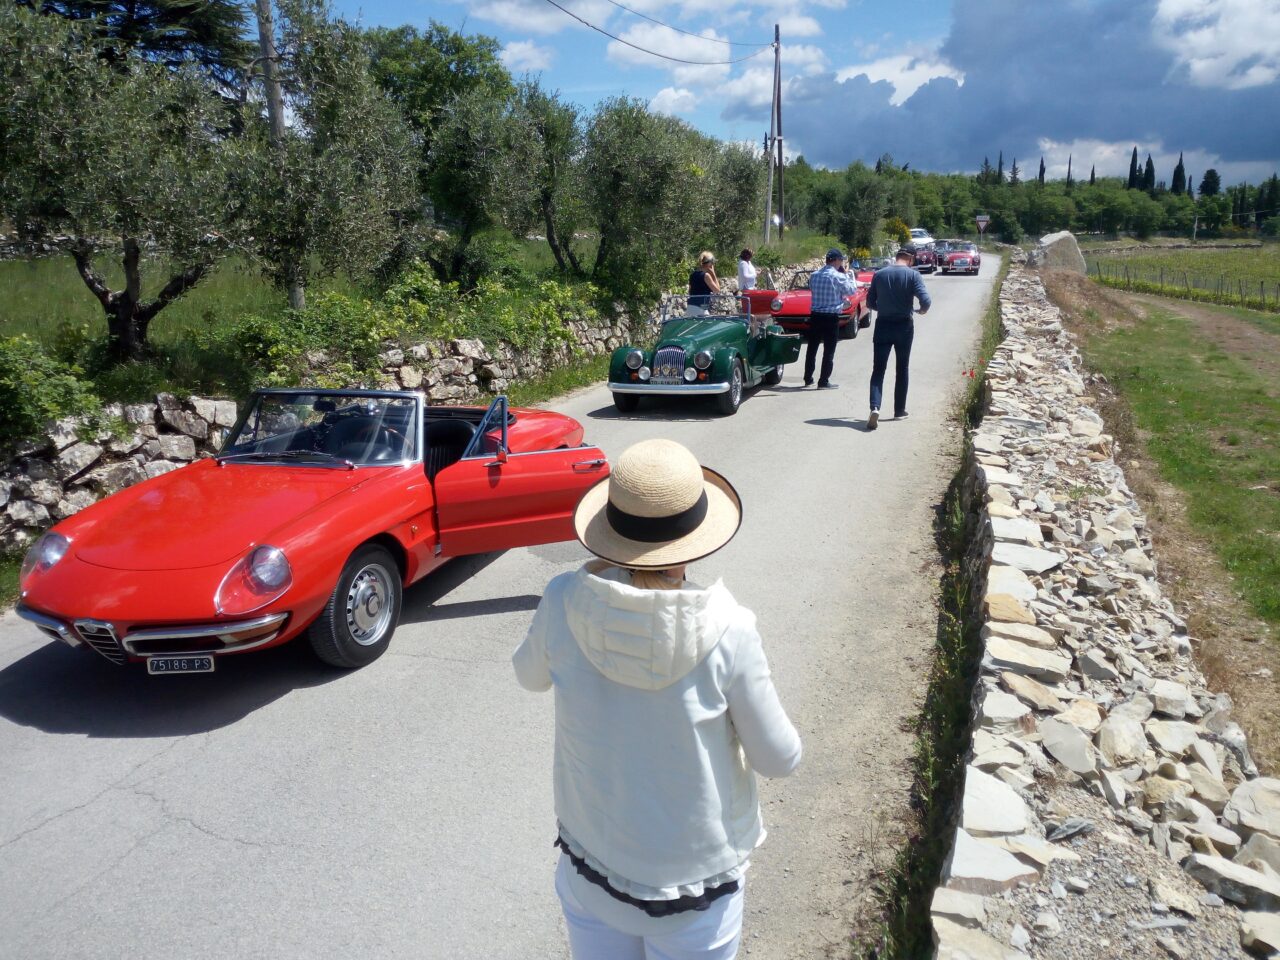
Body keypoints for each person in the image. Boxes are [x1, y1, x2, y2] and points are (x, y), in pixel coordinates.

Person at [513, 438, 802, 960]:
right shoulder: (729, 629)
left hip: (590, 868)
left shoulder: (562, 599)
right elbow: (779, 759)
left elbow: (528, 676)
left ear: (613, 526)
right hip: (694, 889)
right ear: (696, 535)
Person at [865, 246, 931, 429]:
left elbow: (870, 302)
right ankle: (899, 410)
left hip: (883, 325)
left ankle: (875, 407)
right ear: (910, 258)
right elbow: (926, 301)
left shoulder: (879, 274)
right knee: (902, 368)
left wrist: (883, 309)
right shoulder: (913, 275)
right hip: (904, 326)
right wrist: (922, 310)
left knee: (878, 370)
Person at [804, 248, 861, 388]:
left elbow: (811, 288)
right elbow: (852, 290)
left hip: (816, 315)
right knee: (829, 350)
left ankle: (808, 377)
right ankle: (823, 381)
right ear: (836, 260)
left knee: (812, 348)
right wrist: (849, 275)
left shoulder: (815, 275)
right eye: (841, 260)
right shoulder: (838, 276)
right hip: (831, 317)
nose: (841, 263)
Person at [687, 252, 720, 317]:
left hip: (690, 308)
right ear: (710, 264)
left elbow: (690, 291)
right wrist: (713, 274)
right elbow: (717, 290)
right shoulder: (706, 276)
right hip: (700, 310)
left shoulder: (692, 275)